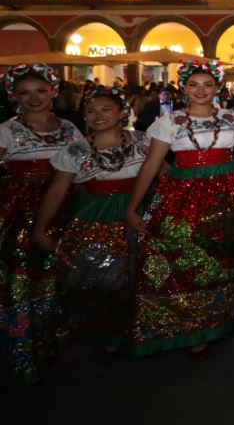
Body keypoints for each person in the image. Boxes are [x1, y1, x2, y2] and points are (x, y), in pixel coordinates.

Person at [124, 60, 234, 358]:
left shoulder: (231, 118)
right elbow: (151, 165)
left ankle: (223, 318)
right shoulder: (170, 121)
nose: (201, 90)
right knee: (182, 252)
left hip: (230, 193)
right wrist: (132, 208)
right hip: (183, 194)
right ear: (184, 88)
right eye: (194, 84)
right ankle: (189, 324)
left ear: (217, 88)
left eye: (208, 85)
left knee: (229, 255)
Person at [32, 87, 147, 355]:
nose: (98, 116)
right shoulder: (76, 150)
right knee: (101, 278)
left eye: (106, 109)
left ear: (122, 113)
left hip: (136, 211)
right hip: (95, 218)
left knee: (140, 274)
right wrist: (40, 229)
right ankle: (106, 334)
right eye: (91, 111)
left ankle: (138, 329)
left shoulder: (143, 141)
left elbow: (163, 173)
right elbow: (57, 190)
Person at [0, 64, 82, 386]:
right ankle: (21, 352)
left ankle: (50, 342)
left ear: (53, 91)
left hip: (64, 206)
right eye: (24, 92)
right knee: (20, 276)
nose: (33, 98)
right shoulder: (7, 130)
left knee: (56, 274)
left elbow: (83, 164)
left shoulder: (70, 129)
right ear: (14, 97)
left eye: (40, 90)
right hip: (18, 212)